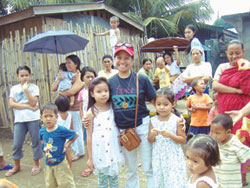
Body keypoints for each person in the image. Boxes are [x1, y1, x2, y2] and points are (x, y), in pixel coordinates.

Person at [108, 42, 156, 188]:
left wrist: (170, 116)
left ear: (132, 60)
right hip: (123, 131)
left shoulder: (141, 79)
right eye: (119, 57)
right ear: (114, 59)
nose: (122, 61)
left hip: (142, 126)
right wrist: (90, 114)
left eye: (126, 58)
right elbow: (103, 104)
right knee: (131, 170)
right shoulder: (110, 82)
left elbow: (155, 100)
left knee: (148, 167)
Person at [85, 77, 124, 188]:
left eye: (106, 91)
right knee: (102, 181)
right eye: (99, 91)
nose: (103, 94)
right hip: (100, 151)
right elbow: (89, 136)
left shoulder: (113, 107)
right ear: (92, 94)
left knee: (114, 179)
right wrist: (90, 158)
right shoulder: (91, 113)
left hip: (113, 150)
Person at [6, 66, 43, 177]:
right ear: (17, 76)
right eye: (22, 75)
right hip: (20, 120)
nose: (24, 77)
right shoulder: (14, 89)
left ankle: (36, 164)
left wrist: (26, 90)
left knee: (35, 142)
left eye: (26, 75)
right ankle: (16, 166)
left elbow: (33, 102)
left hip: (33, 118)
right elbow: (11, 104)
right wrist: (27, 106)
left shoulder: (34, 88)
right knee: (16, 143)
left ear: (30, 75)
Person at [148, 87, 187, 188]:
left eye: (166, 104)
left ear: (172, 104)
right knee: (161, 181)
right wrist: (152, 135)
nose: (161, 107)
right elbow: (150, 140)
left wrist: (170, 135)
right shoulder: (153, 120)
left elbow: (183, 140)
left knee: (174, 182)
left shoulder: (177, 121)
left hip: (173, 157)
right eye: (158, 104)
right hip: (158, 157)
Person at [52, 54, 85, 161]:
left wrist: (60, 92)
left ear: (76, 64)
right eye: (66, 63)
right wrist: (59, 80)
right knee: (70, 130)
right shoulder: (65, 75)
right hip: (66, 108)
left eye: (69, 62)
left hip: (75, 108)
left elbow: (71, 91)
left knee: (76, 129)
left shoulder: (80, 77)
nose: (67, 65)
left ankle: (80, 152)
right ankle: (75, 150)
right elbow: (53, 88)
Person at [212, 40, 250, 134]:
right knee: (225, 133)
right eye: (231, 53)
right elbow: (215, 86)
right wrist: (236, 91)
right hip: (225, 108)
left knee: (241, 134)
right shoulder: (222, 67)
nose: (234, 56)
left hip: (243, 108)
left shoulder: (247, 68)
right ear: (226, 53)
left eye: (238, 53)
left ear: (243, 52)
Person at [39, 103, 78, 188]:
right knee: (50, 184)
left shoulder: (60, 130)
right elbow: (42, 141)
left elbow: (75, 134)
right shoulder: (42, 131)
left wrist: (67, 145)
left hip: (60, 163)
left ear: (56, 117)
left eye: (51, 116)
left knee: (65, 183)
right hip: (48, 163)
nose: (48, 119)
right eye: (45, 116)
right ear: (41, 118)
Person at [210, 114, 250, 188]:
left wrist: (243, 175)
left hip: (232, 184)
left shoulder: (235, 145)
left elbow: (247, 158)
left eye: (217, 133)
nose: (214, 135)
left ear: (228, 132)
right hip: (218, 182)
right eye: (213, 132)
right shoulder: (216, 143)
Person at [78, 66, 96, 177]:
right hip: (87, 121)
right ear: (82, 78)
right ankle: (90, 163)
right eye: (87, 76)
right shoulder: (82, 93)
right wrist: (82, 118)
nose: (90, 79)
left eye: (92, 76)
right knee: (89, 142)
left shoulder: (97, 91)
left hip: (97, 120)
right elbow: (81, 107)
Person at [55, 95, 73, 168]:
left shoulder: (56, 116)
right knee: (68, 154)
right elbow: (71, 128)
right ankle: (69, 169)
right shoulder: (70, 115)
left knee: (58, 156)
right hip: (67, 138)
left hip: (58, 139)